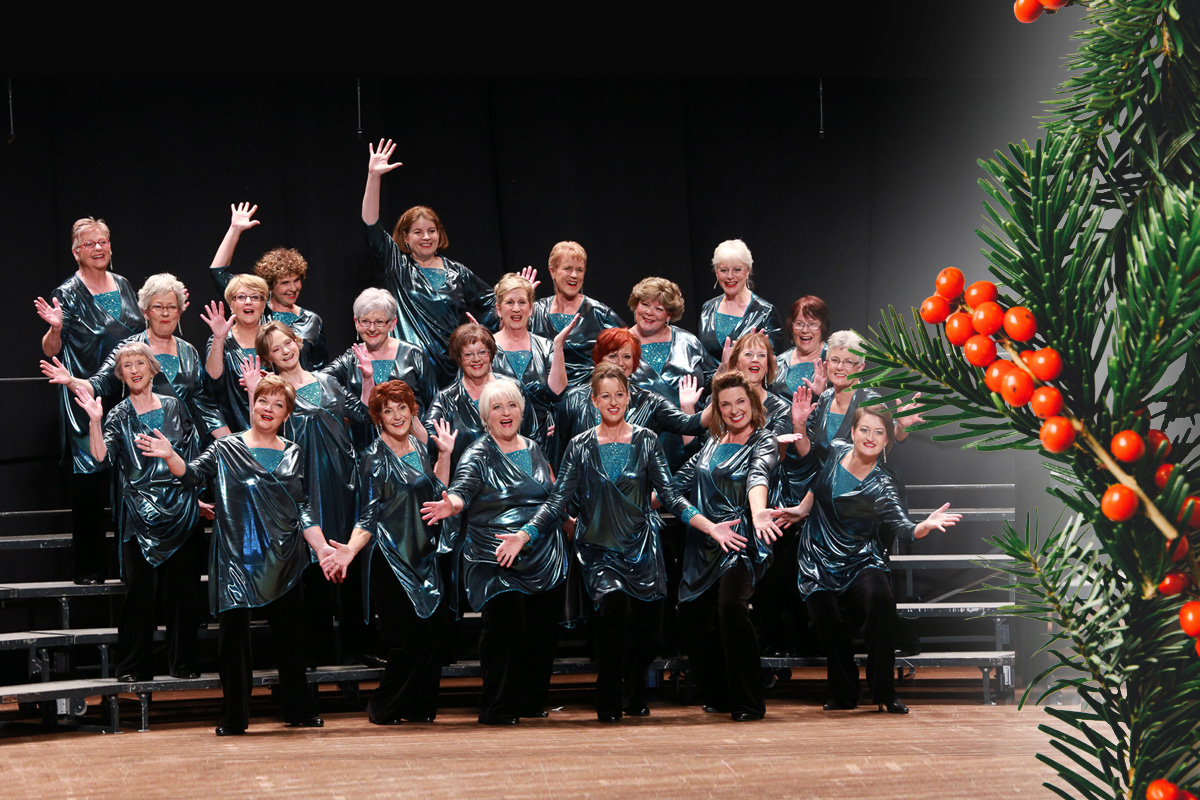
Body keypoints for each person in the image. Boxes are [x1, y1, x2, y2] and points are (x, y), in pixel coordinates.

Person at [519, 364, 739, 723]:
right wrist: (525, 533)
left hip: (642, 549)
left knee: (650, 635)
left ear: (629, 397)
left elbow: (670, 496)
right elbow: (558, 501)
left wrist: (709, 526)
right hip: (598, 552)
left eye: (619, 394)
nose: (613, 401)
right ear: (593, 400)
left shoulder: (647, 440)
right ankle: (608, 702)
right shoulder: (580, 445)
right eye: (604, 395)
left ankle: (633, 689)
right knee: (614, 614)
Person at [138, 375, 336, 735]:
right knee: (233, 644)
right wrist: (171, 456)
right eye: (264, 401)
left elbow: (303, 507)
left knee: (292, 639)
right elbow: (193, 475)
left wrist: (321, 547)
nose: (268, 409)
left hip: (284, 556)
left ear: (286, 414)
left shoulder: (293, 451)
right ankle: (234, 716)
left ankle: (298, 709)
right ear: (252, 403)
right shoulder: (226, 447)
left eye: (278, 405)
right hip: (236, 559)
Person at [784, 404, 960, 714]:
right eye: (864, 429)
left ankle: (884, 691)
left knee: (880, 601)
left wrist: (924, 526)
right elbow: (817, 479)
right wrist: (801, 509)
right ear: (852, 432)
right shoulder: (836, 450)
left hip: (860, 559)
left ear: (886, 441)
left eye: (878, 432)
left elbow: (904, 529)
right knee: (826, 618)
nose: (870, 436)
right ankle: (843, 692)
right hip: (818, 557)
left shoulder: (883, 485)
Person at [420, 379, 568, 725]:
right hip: (494, 555)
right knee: (506, 625)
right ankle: (497, 706)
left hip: (541, 552)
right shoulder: (478, 453)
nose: (506, 413)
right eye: (497, 408)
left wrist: (567, 520)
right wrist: (452, 505)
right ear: (486, 416)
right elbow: (462, 490)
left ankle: (530, 700)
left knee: (542, 631)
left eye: (512, 406)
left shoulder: (532, 447)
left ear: (521, 410)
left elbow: (549, 491)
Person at [320, 381, 455, 725]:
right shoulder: (373, 460)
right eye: (388, 410)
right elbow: (367, 517)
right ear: (378, 418)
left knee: (435, 633)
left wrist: (446, 455)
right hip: (390, 559)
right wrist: (350, 549)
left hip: (424, 554)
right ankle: (385, 708)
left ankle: (420, 708)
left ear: (413, 411)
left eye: (402, 408)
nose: (397, 416)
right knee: (407, 639)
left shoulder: (419, 446)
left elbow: (439, 491)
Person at [74, 342, 204, 682]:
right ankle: (133, 667)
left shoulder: (176, 407)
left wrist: (199, 499)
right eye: (126, 365)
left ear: (151, 368)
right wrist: (94, 422)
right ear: (121, 374)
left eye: (139, 363)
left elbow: (193, 459)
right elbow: (100, 458)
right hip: (139, 514)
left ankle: (185, 663)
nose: (133, 369)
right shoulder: (117, 415)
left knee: (182, 594)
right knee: (138, 594)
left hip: (180, 510)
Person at [245, 321, 367, 659]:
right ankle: (318, 650)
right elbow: (259, 435)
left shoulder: (328, 380)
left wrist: (368, 380)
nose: (285, 351)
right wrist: (252, 393)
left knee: (348, 558)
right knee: (313, 566)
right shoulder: (276, 393)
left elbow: (363, 416)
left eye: (288, 343)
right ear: (268, 358)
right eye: (276, 349)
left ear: (297, 341)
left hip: (343, 483)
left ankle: (356, 647)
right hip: (303, 485)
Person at [35, 217, 145, 584]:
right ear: (76, 252)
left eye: (104, 242)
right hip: (86, 393)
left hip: (128, 392)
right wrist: (55, 328)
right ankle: (91, 568)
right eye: (90, 244)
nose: (98, 248)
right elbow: (52, 350)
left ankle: (133, 564)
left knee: (132, 474)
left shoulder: (125, 285)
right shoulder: (67, 292)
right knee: (91, 480)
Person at [674, 370, 782, 722]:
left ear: (752, 403)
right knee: (691, 616)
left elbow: (758, 477)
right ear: (717, 410)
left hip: (741, 541)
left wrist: (760, 513)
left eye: (740, 401)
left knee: (731, 606)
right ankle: (719, 695)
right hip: (703, 543)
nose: (735, 410)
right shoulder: (712, 443)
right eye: (726, 404)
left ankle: (750, 700)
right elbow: (677, 483)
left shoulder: (764, 441)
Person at [361, 139, 495, 387]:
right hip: (408, 369)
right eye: (418, 232)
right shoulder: (398, 266)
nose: (426, 237)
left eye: (431, 231)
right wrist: (373, 177)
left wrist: (478, 331)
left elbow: (493, 304)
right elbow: (371, 225)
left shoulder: (458, 272)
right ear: (405, 238)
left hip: (453, 368)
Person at [42, 273, 230, 442]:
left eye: (171, 307)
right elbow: (98, 385)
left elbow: (203, 402)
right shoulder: (128, 349)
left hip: (183, 450)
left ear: (179, 312)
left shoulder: (189, 352)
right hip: (139, 451)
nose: (165, 313)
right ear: (145, 311)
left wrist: (233, 443)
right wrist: (70, 381)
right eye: (157, 306)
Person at [551, 328, 703, 470]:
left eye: (627, 357)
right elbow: (559, 454)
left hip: (633, 494)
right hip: (582, 494)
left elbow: (690, 425)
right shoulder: (574, 398)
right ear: (599, 358)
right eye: (612, 356)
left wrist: (698, 404)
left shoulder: (649, 402)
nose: (620, 363)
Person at [209, 202, 328, 370]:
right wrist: (234, 230)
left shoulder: (312, 321)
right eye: (285, 283)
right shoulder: (258, 308)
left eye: (296, 280)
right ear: (270, 286)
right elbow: (217, 271)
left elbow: (321, 369)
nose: (293, 288)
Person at [322, 288, 436, 453]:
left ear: (392, 323)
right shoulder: (350, 359)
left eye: (379, 322)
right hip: (366, 452)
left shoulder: (413, 354)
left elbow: (432, 402)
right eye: (365, 321)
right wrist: (357, 408)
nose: (372, 328)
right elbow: (321, 380)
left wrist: (428, 446)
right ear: (356, 322)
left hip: (411, 451)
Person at [627, 276, 717, 469]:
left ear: (669, 315)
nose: (649, 313)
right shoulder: (619, 344)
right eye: (645, 304)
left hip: (689, 443)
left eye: (659, 309)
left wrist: (726, 366)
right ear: (636, 305)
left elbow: (713, 384)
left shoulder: (688, 341)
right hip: (639, 447)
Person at [426, 323, 540, 473]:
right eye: (468, 354)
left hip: (517, 476)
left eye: (482, 352)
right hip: (469, 481)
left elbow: (533, 435)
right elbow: (428, 441)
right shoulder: (445, 399)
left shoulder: (513, 387)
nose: (476, 359)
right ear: (458, 358)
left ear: (490, 354)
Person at [528, 240, 625, 388]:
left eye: (579, 270)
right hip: (545, 398)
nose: (574, 275)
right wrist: (520, 296)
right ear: (552, 271)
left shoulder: (599, 312)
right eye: (567, 268)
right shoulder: (535, 311)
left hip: (588, 398)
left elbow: (630, 348)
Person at [490, 273, 572, 444]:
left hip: (545, 439)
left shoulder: (547, 346)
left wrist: (558, 348)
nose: (516, 309)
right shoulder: (488, 348)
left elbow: (557, 393)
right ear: (499, 309)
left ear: (531, 308)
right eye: (509, 303)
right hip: (500, 438)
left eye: (522, 302)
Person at [698, 239, 784, 364]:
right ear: (717, 273)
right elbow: (702, 359)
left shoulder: (765, 313)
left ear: (747, 271)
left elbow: (772, 364)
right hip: (711, 383)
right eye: (724, 270)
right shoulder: (708, 308)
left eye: (737, 270)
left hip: (748, 383)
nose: (730, 276)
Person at [201, 273, 268, 432]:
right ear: (231, 305)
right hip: (232, 431)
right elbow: (211, 383)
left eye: (255, 297)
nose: (248, 302)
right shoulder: (220, 340)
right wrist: (219, 339)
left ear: (264, 305)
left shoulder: (274, 338)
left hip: (273, 429)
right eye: (241, 297)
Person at [771, 295, 830, 399]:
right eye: (799, 323)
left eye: (812, 324)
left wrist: (823, 394)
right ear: (791, 326)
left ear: (823, 327)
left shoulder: (833, 360)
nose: (805, 330)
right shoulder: (778, 363)